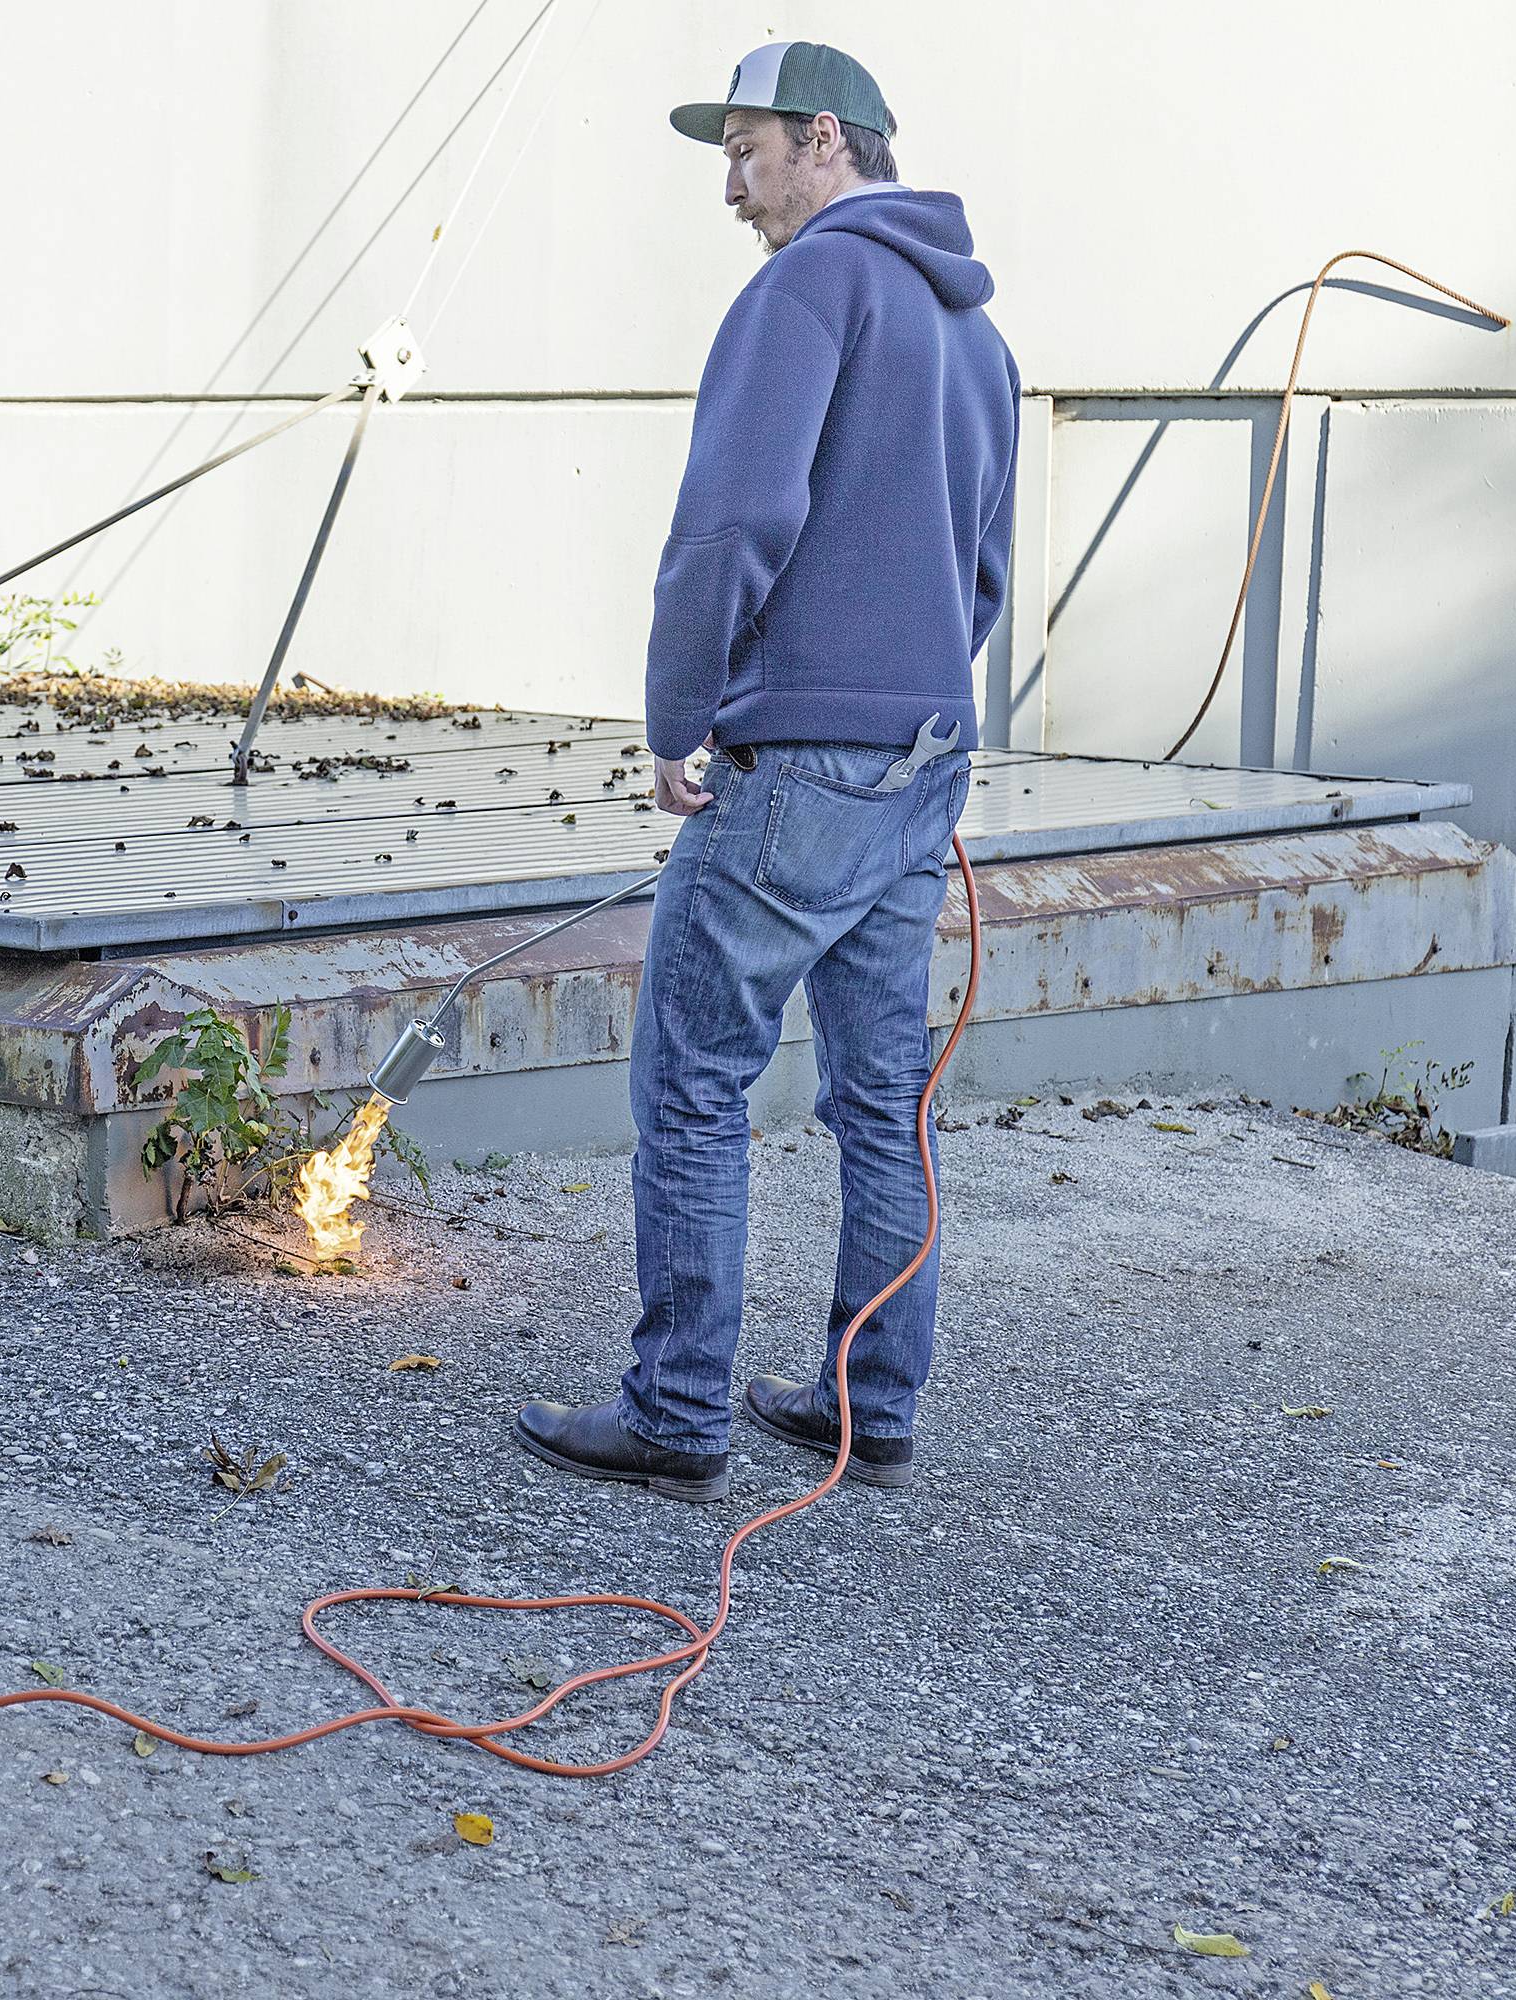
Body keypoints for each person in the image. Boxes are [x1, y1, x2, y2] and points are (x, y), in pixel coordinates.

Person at [514, 42, 1020, 1501]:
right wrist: (908, 695)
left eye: (743, 152)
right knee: (881, 1098)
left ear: (824, 139)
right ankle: (875, 1404)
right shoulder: (974, 332)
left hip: (796, 763)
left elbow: (730, 521)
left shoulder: (809, 287)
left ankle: (676, 1415)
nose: (730, 189)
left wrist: (681, 712)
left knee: (692, 1081)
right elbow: (983, 571)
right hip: (923, 760)